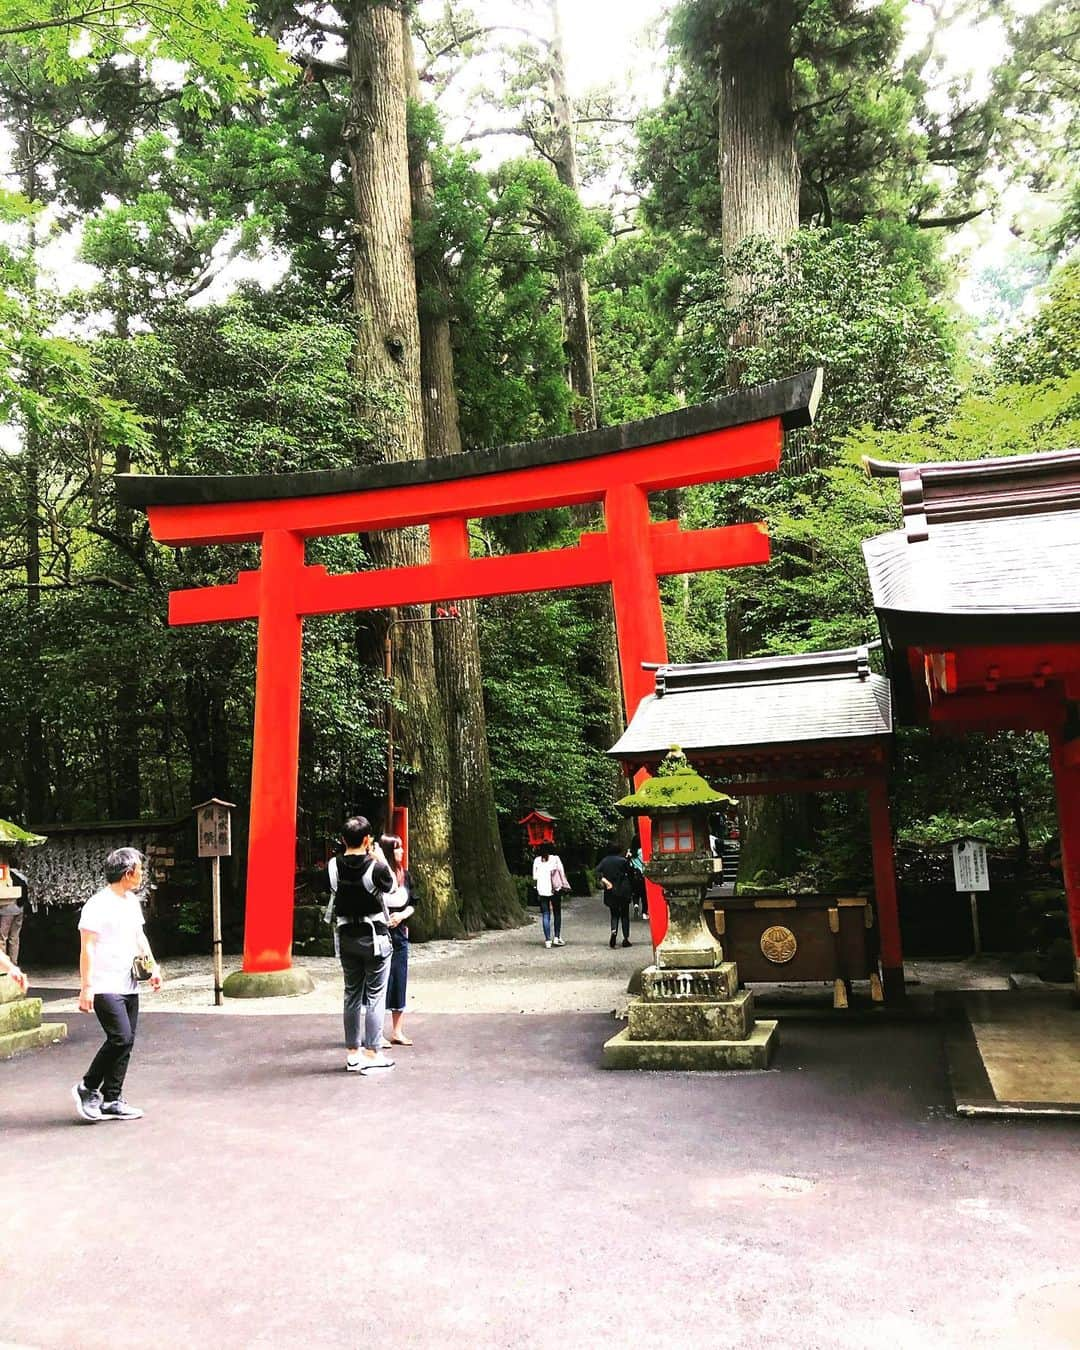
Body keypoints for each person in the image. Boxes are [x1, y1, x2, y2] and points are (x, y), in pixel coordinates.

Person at [72, 847, 162, 1123]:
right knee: (120, 1037)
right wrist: (86, 986)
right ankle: (87, 1087)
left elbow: (139, 937)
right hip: (104, 984)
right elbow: (86, 947)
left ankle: (112, 1099)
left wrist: (153, 966)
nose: (141, 874)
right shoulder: (97, 905)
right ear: (127, 873)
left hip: (129, 982)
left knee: (127, 1041)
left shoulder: (132, 902)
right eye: (139, 870)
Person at [332, 816, 396, 1074]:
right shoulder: (375, 868)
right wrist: (380, 858)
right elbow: (391, 888)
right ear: (368, 840)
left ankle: (352, 1054)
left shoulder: (333, 866)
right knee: (375, 996)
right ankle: (372, 1052)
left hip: (346, 936)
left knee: (351, 995)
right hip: (375, 938)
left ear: (342, 839)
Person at [379, 833, 417, 1047]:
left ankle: (397, 1030)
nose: (401, 851)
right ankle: (376, 1031)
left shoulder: (406, 876)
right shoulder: (379, 875)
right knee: (380, 981)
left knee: (399, 980)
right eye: (397, 848)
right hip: (381, 932)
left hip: (400, 933)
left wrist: (402, 915)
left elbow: (413, 902)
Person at [531, 843, 569, 948]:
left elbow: (535, 877)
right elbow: (561, 872)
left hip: (542, 890)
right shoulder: (555, 859)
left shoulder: (537, 860)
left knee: (546, 914)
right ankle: (556, 937)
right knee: (557, 913)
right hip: (554, 889)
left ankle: (547, 940)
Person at [597, 844, 633, 948]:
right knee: (625, 915)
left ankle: (614, 931)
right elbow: (630, 872)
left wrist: (605, 881)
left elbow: (597, 871)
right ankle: (626, 939)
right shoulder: (622, 861)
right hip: (623, 889)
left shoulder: (605, 861)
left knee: (614, 914)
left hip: (610, 890)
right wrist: (628, 859)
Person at [0, 850, 28, 969]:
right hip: (19, 910)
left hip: (7, 909)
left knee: (2, 937)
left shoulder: (5, 876)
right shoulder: (23, 877)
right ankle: (14, 963)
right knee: (14, 938)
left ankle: (3, 966)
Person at [628, 837, 647, 920]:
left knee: (635, 893)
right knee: (644, 895)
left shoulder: (630, 851)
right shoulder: (642, 851)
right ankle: (644, 913)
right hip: (643, 875)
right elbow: (645, 862)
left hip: (634, 875)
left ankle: (636, 905)